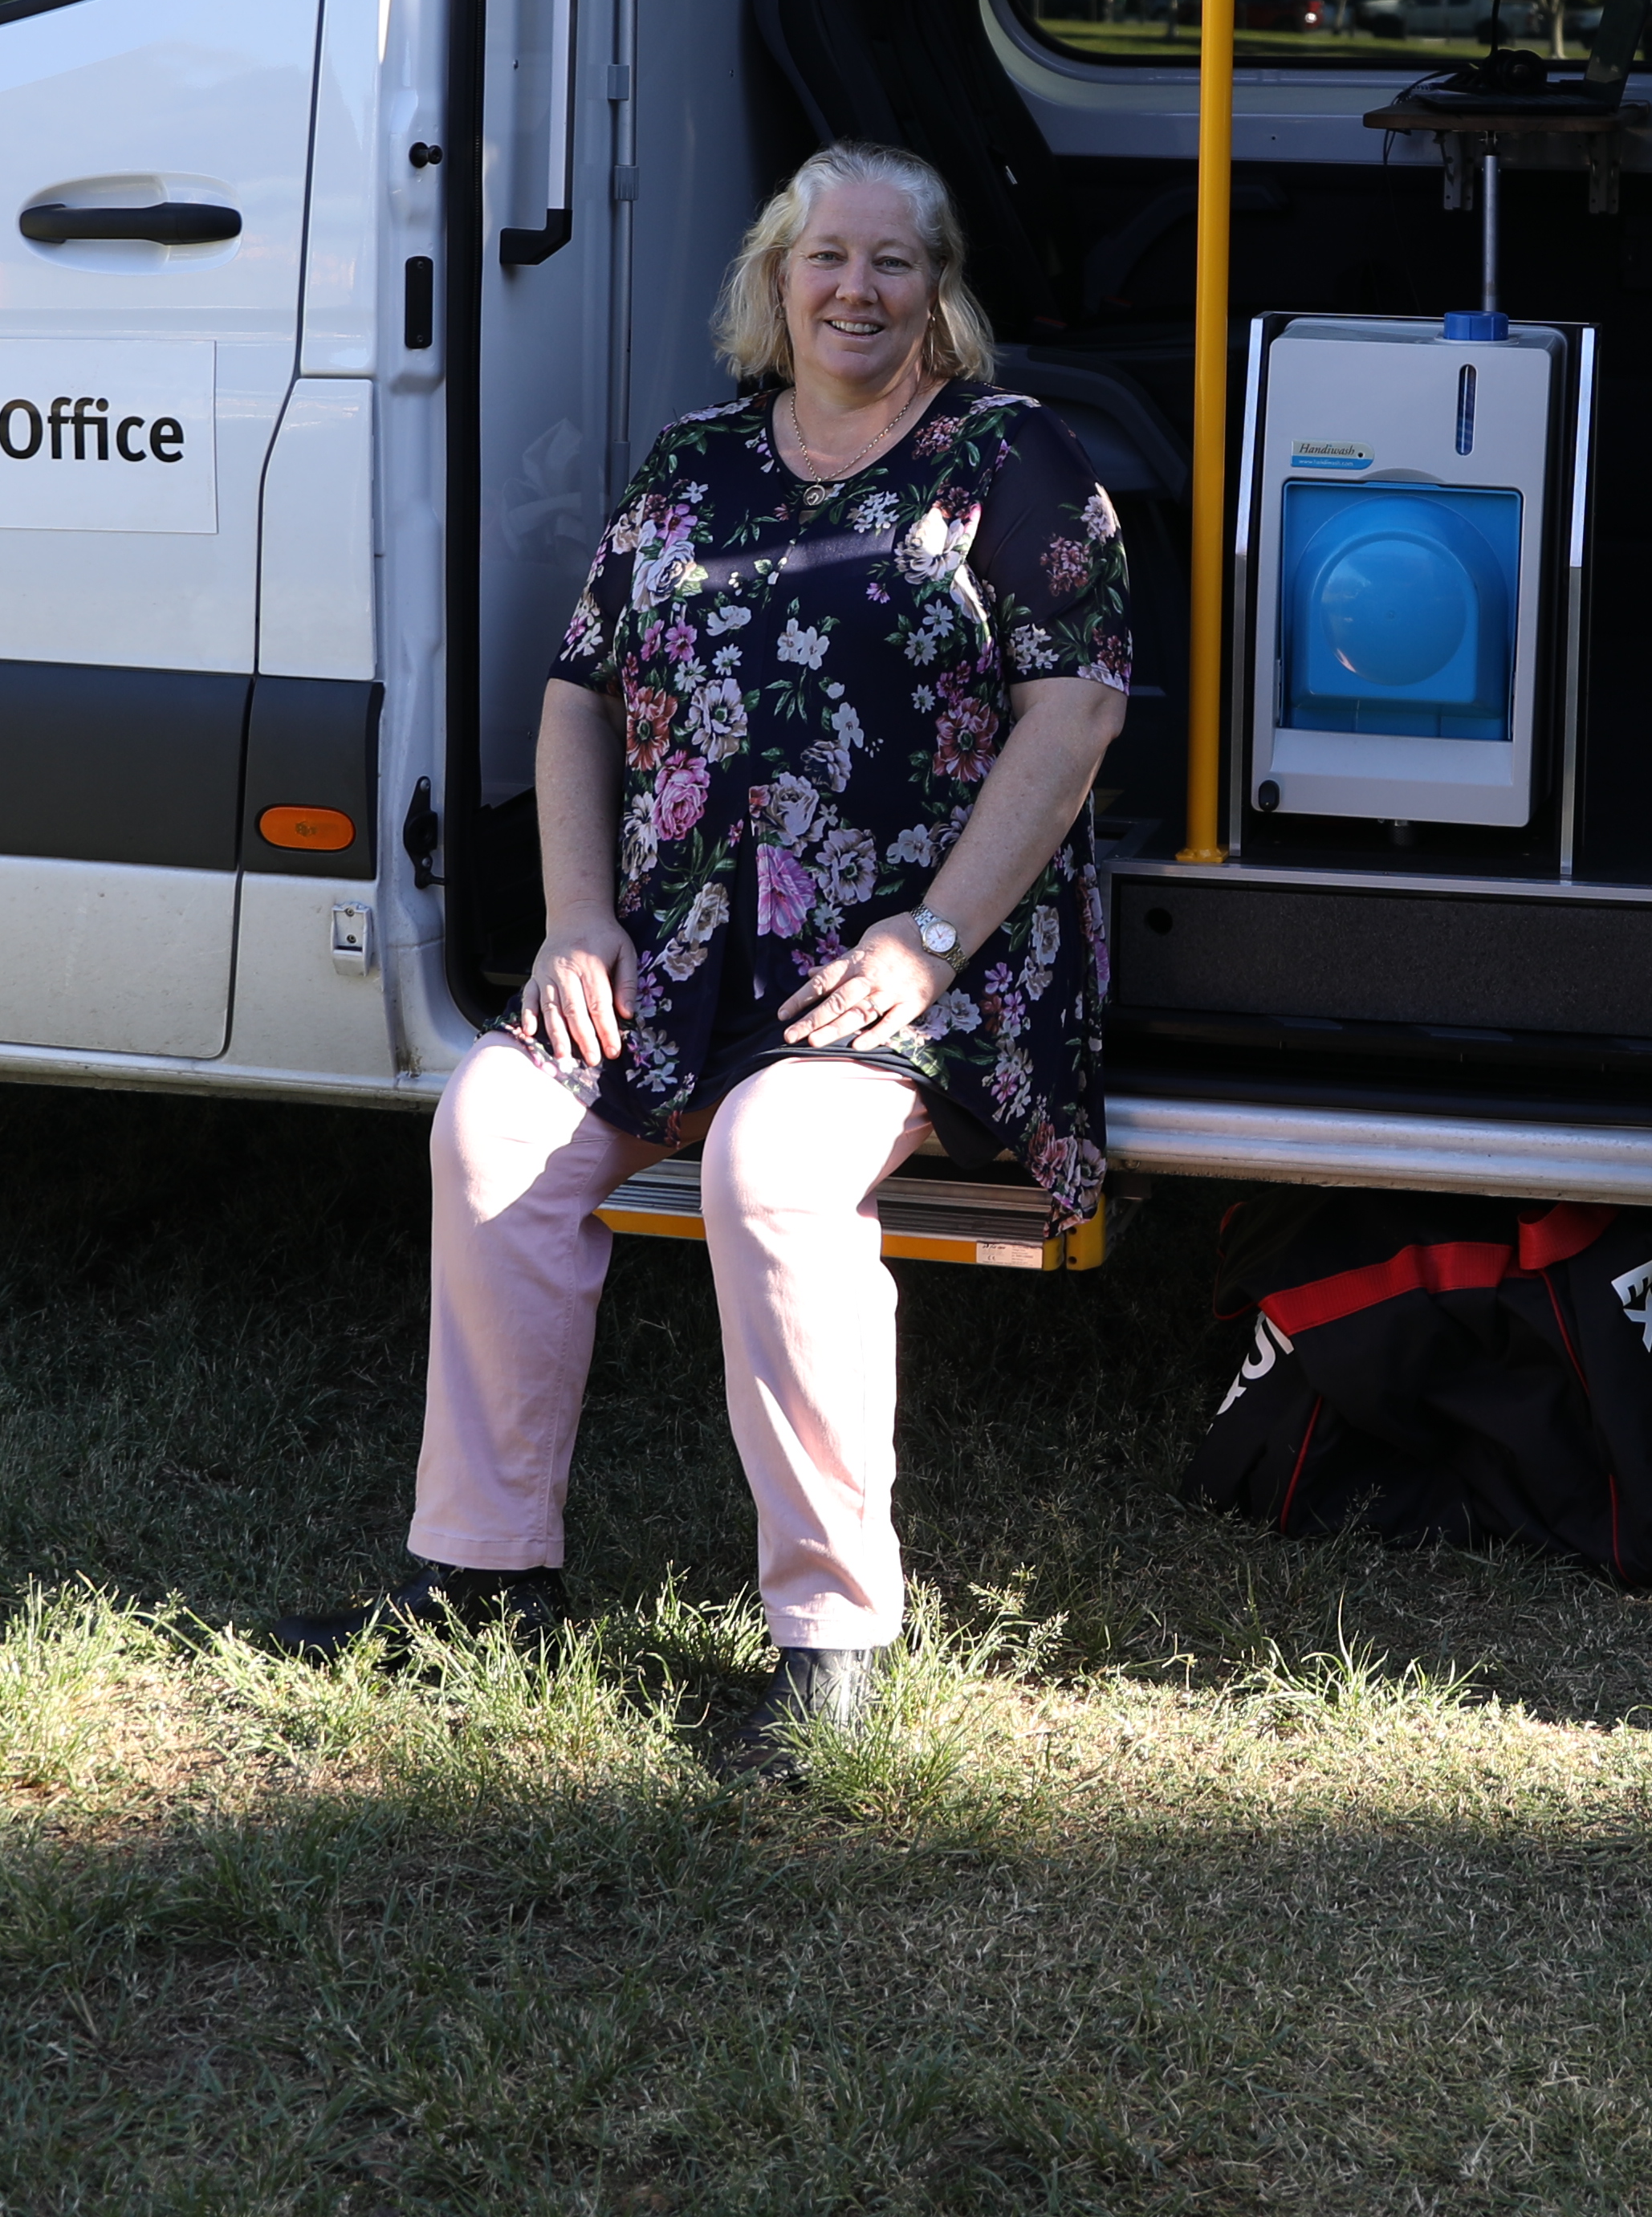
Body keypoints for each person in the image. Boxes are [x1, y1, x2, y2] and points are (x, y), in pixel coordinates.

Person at [299, 144, 1129, 1775]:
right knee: (492, 1124)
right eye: (829, 255)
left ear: (938, 285)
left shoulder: (1015, 462)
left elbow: (1079, 707)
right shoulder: (691, 463)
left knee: (766, 1162)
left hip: (916, 978)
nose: (857, 289)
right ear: (778, 272)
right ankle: (479, 1575)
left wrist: (930, 936)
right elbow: (578, 693)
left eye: (894, 261)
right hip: (679, 956)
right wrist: (578, 916)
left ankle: (832, 1641)